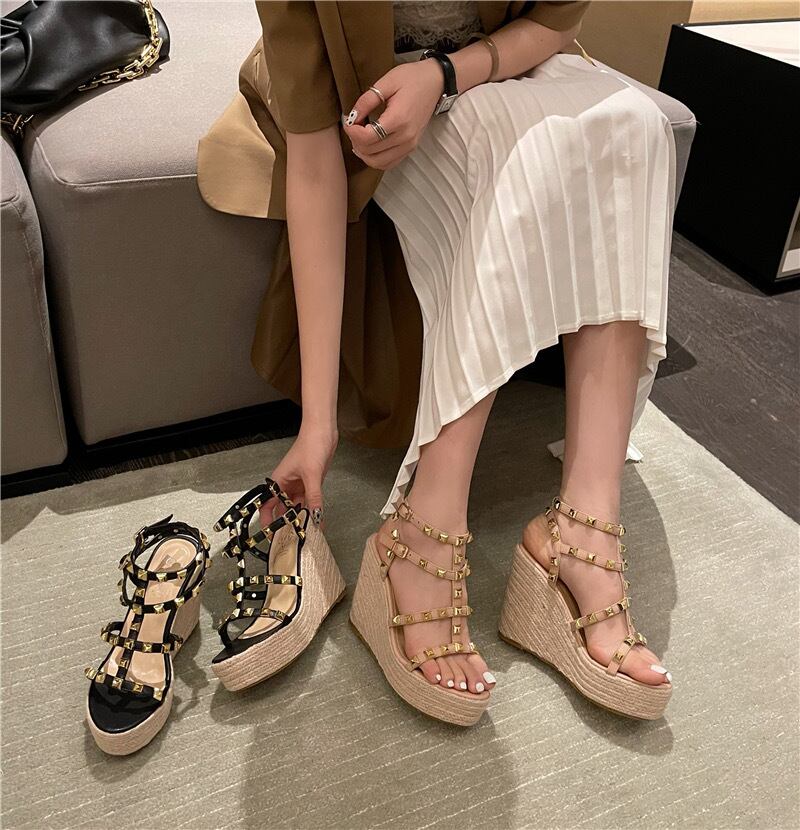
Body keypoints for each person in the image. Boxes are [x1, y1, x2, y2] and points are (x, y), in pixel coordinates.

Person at [198, 0, 675, 725]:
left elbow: (555, 23)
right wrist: (317, 426)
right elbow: (317, 160)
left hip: (489, 60)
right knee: (511, 148)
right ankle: (421, 530)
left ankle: (583, 528)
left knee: (636, 124)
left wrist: (446, 74)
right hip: (361, 98)